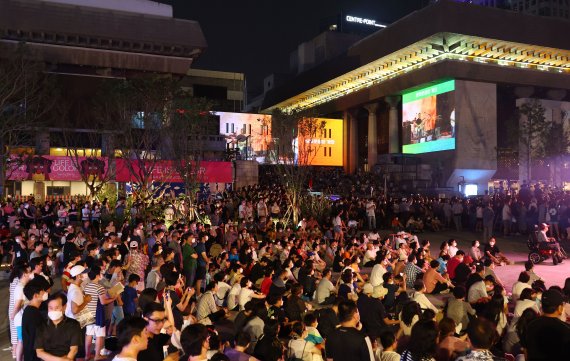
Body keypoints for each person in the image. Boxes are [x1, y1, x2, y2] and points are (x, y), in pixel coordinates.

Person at [524, 289, 570, 361]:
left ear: (542, 306)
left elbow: (526, 352)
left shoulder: (531, 325)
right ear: (560, 308)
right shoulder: (566, 329)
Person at [36, 293, 82, 361]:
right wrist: (60, 360)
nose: (53, 310)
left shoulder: (73, 324)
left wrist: (67, 359)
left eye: (57, 307)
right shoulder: (41, 325)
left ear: (64, 307)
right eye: (50, 308)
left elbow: (74, 349)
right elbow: (39, 352)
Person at [22, 277, 50, 361]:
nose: (46, 293)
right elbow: (38, 340)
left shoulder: (30, 310)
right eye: (43, 291)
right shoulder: (33, 315)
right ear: (36, 296)